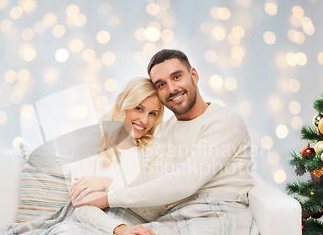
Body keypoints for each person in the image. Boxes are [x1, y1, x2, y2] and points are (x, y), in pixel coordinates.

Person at [70, 49, 255, 212]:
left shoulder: (223, 121)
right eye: (161, 84)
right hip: (175, 217)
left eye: (177, 77)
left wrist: (107, 195)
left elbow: (184, 181)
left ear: (194, 75)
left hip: (217, 212)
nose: (172, 88)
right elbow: (148, 182)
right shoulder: (164, 131)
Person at [69, 77, 168, 235]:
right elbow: (80, 205)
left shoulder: (156, 149)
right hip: (90, 224)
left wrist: (107, 183)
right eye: (139, 108)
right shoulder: (88, 145)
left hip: (138, 226)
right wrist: (119, 229)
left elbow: (156, 208)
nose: (144, 120)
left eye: (152, 114)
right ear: (123, 104)